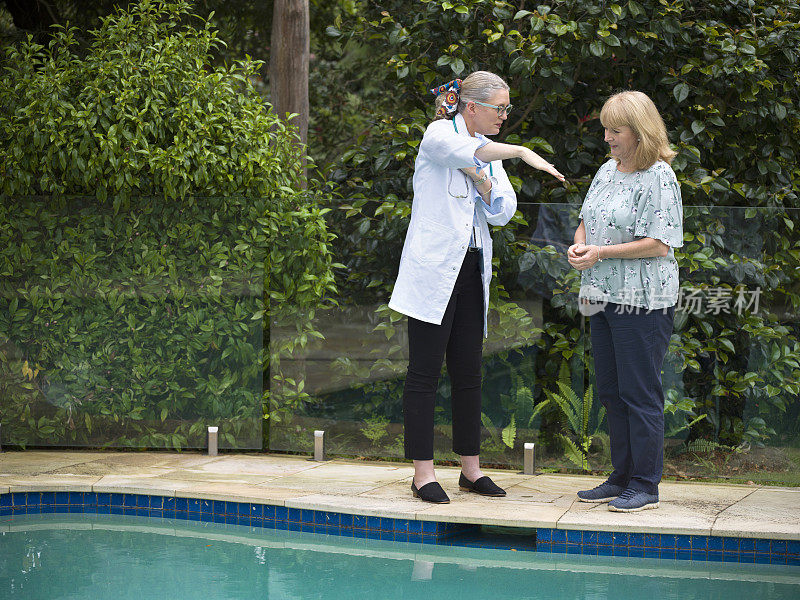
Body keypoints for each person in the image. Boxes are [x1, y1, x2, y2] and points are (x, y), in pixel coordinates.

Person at [389, 71, 565, 503]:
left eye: (507, 108)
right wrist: (522, 152)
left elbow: (503, 210)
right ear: (472, 107)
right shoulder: (437, 135)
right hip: (434, 271)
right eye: (499, 108)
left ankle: (471, 470)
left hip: (471, 268)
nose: (505, 115)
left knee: (469, 372)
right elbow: (466, 151)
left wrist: (481, 177)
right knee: (424, 373)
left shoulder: (489, 154)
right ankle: (423, 474)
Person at [568, 90, 683, 512]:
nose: (607, 138)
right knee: (612, 391)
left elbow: (659, 243)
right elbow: (586, 221)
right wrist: (580, 247)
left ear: (638, 132)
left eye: (615, 131)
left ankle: (646, 485)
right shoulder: (606, 171)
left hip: (642, 301)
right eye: (605, 130)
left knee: (640, 393)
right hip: (599, 296)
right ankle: (621, 478)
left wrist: (600, 252)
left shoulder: (660, 176)